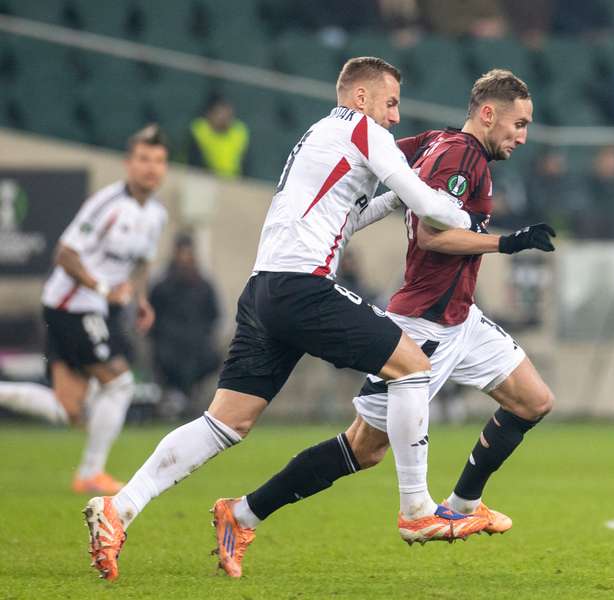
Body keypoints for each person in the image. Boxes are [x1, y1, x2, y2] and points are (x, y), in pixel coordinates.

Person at [83, 56, 492, 582]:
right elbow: (428, 206)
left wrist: (393, 195)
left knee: (225, 422)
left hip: (264, 290)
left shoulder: (319, 134)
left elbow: (349, 219)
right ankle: (417, 510)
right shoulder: (365, 129)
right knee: (413, 367)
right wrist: (476, 222)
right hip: (303, 287)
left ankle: (119, 509)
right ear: (362, 98)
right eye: (391, 103)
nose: (394, 116)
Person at [208, 69, 557, 578]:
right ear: (488, 113)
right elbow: (433, 234)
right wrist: (508, 241)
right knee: (362, 449)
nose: (522, 136)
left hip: (463, 316)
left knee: (533, 400)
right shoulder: (462, 158)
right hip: (425, 323)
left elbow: (390, 151)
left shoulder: (442, 142)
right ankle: (241, 513)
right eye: (518, 124)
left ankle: (461, 506)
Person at [0, 124, 169, 494]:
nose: (151, 168)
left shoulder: (156, 214)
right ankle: (91, 473)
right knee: (120, 384)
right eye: (143, 159)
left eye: (158, 161)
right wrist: (103, 288)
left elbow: (140, 263)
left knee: (71, 410)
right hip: (72, 304)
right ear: (128, 164)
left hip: (92, 305)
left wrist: (140, 299)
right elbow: (65, 254)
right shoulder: (107, 203)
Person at [148, 233, 221, 416]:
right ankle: (175, 399)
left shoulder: (203, 285)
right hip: (169, 346)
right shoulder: (162, 286)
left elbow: (214, 315)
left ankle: (186, 399)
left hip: (197, 346)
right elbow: (151, 316)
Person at [187, 96, 249, 178]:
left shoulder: (240, 133)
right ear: (209, 114)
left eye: (228, 115)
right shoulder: (199, 130)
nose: (224, 119)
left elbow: (246, 163)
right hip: (204, 178)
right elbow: (193, 161)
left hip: (233, 182)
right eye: (220, 114)